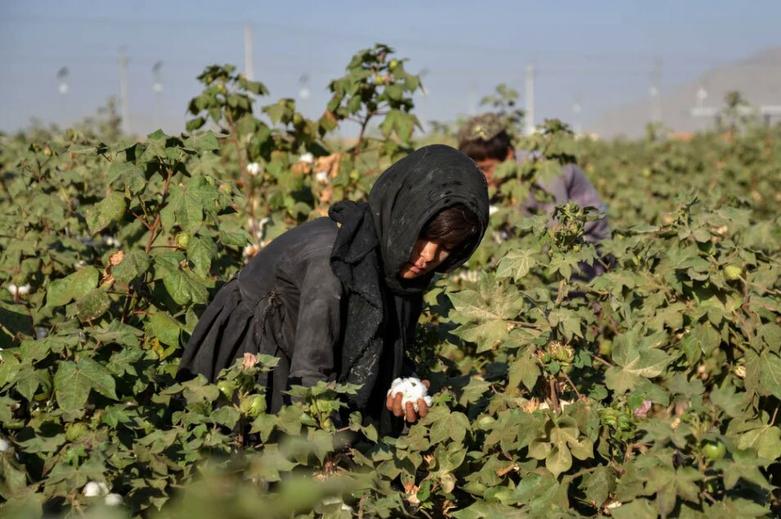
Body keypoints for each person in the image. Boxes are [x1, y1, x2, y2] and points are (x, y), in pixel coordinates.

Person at [177, 144, 489, 433]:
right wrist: (330, 456)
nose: (429, 256)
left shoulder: (395, 269)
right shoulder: (332, 262)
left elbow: (383, 345)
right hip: (255, 371)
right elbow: (309, 381)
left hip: (301, 371)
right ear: (402, 216)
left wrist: (403, 384)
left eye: (446, 247)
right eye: (424, 235)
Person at [457, 113, 609, 246]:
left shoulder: (543, 174)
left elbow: (555, 234)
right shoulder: (500, 180)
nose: (480, 176)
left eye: (486, 168)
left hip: (586, 245)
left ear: (508, 155)